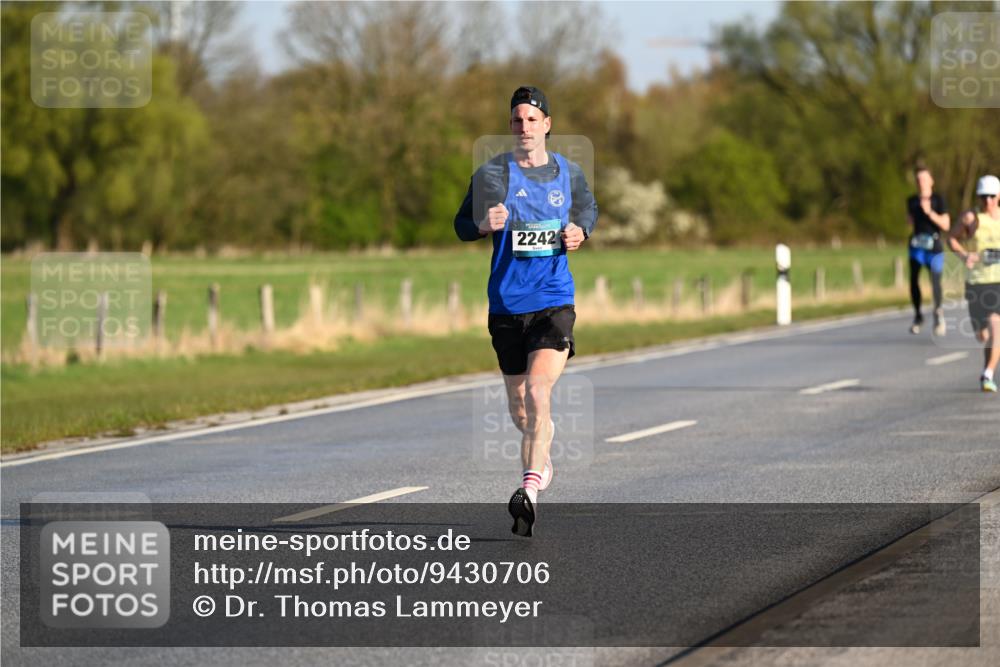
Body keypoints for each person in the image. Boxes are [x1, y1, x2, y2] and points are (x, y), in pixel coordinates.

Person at [454, 86, 598, 536]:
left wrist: (580, 231)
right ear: (510, 125)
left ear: (547, 125)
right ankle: (542, 449)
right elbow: (461, 225)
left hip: (553, 300)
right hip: (506, 305)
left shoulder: (568, 173)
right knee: (521, 409)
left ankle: (529, 490)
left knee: (538, 391)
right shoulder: (492, 175)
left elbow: (588, 210)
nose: (524, 127)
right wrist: (482, 225)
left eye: (532, 119)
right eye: (517, 120)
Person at [948, 174, 1000, 393]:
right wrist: (964, 255)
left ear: (999, 196)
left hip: (997, 282)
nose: (988, 201)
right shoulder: (971, 218)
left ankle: (988, 373)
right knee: (983, 335)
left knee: (996, 328)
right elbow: (951, 238)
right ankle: (987, 372)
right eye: (983, 196)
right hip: (977, 283)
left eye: (992, 196)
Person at [906, 166, 951, 335]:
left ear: (931, 181)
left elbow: (946, 225)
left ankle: (938, 314)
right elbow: (910, 221)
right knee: (913, 280)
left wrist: (929, 212)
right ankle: (918, 315)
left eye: (924, 179)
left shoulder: (938, 200)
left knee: (935, 281)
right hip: (917, 245)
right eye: (918, 179)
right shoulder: (911, 201)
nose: (921, 182)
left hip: (934, 246)